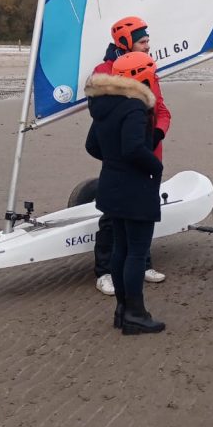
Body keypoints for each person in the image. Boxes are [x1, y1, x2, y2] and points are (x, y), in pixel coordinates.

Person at [85, 52, 165, 335]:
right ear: (139, 76)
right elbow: (133, 148)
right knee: (136, 253)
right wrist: (155, 165)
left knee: (121, 248)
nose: (153, 79)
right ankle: (135, 313)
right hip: (135, 188)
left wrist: (113, 159)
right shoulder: (133, 106)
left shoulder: (105, 104)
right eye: (150, 74)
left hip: (111, 184)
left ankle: (122, 310)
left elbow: (92, 145)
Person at [91, 17, 171, 295]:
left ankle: (143, 261)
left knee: (144, 211)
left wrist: (156, 135)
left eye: (148, 40)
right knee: (113, 217)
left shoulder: (149, 70)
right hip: (122, 159)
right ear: (125, 43)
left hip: (148, 154)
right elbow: (101, 120)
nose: (148, 45)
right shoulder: (104, 72)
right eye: (142, 41)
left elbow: (161, 110)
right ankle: (104, 271)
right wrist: (116, 152)